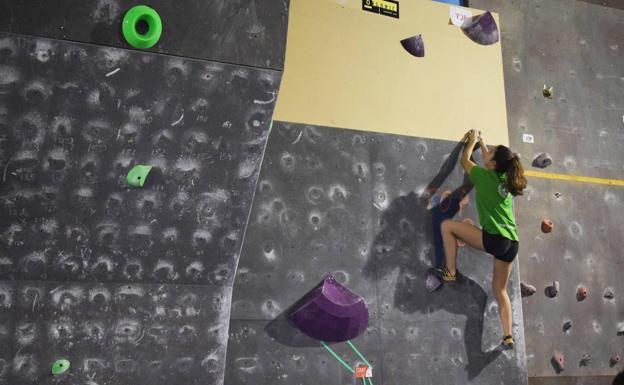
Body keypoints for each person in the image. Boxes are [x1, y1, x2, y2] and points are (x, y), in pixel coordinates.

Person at [434, 129, 527, 350]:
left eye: (491, 153)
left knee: (447, 226)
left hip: (495, 239)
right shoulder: (506, 177)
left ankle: (451, 272)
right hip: (511, 244)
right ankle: (507, 336)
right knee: (500, 290)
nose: (488, 152)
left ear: (493, 164)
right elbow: (490, 160)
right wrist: (483, 144)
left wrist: (471, 143)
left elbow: (464, 161)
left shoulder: (483, 178)